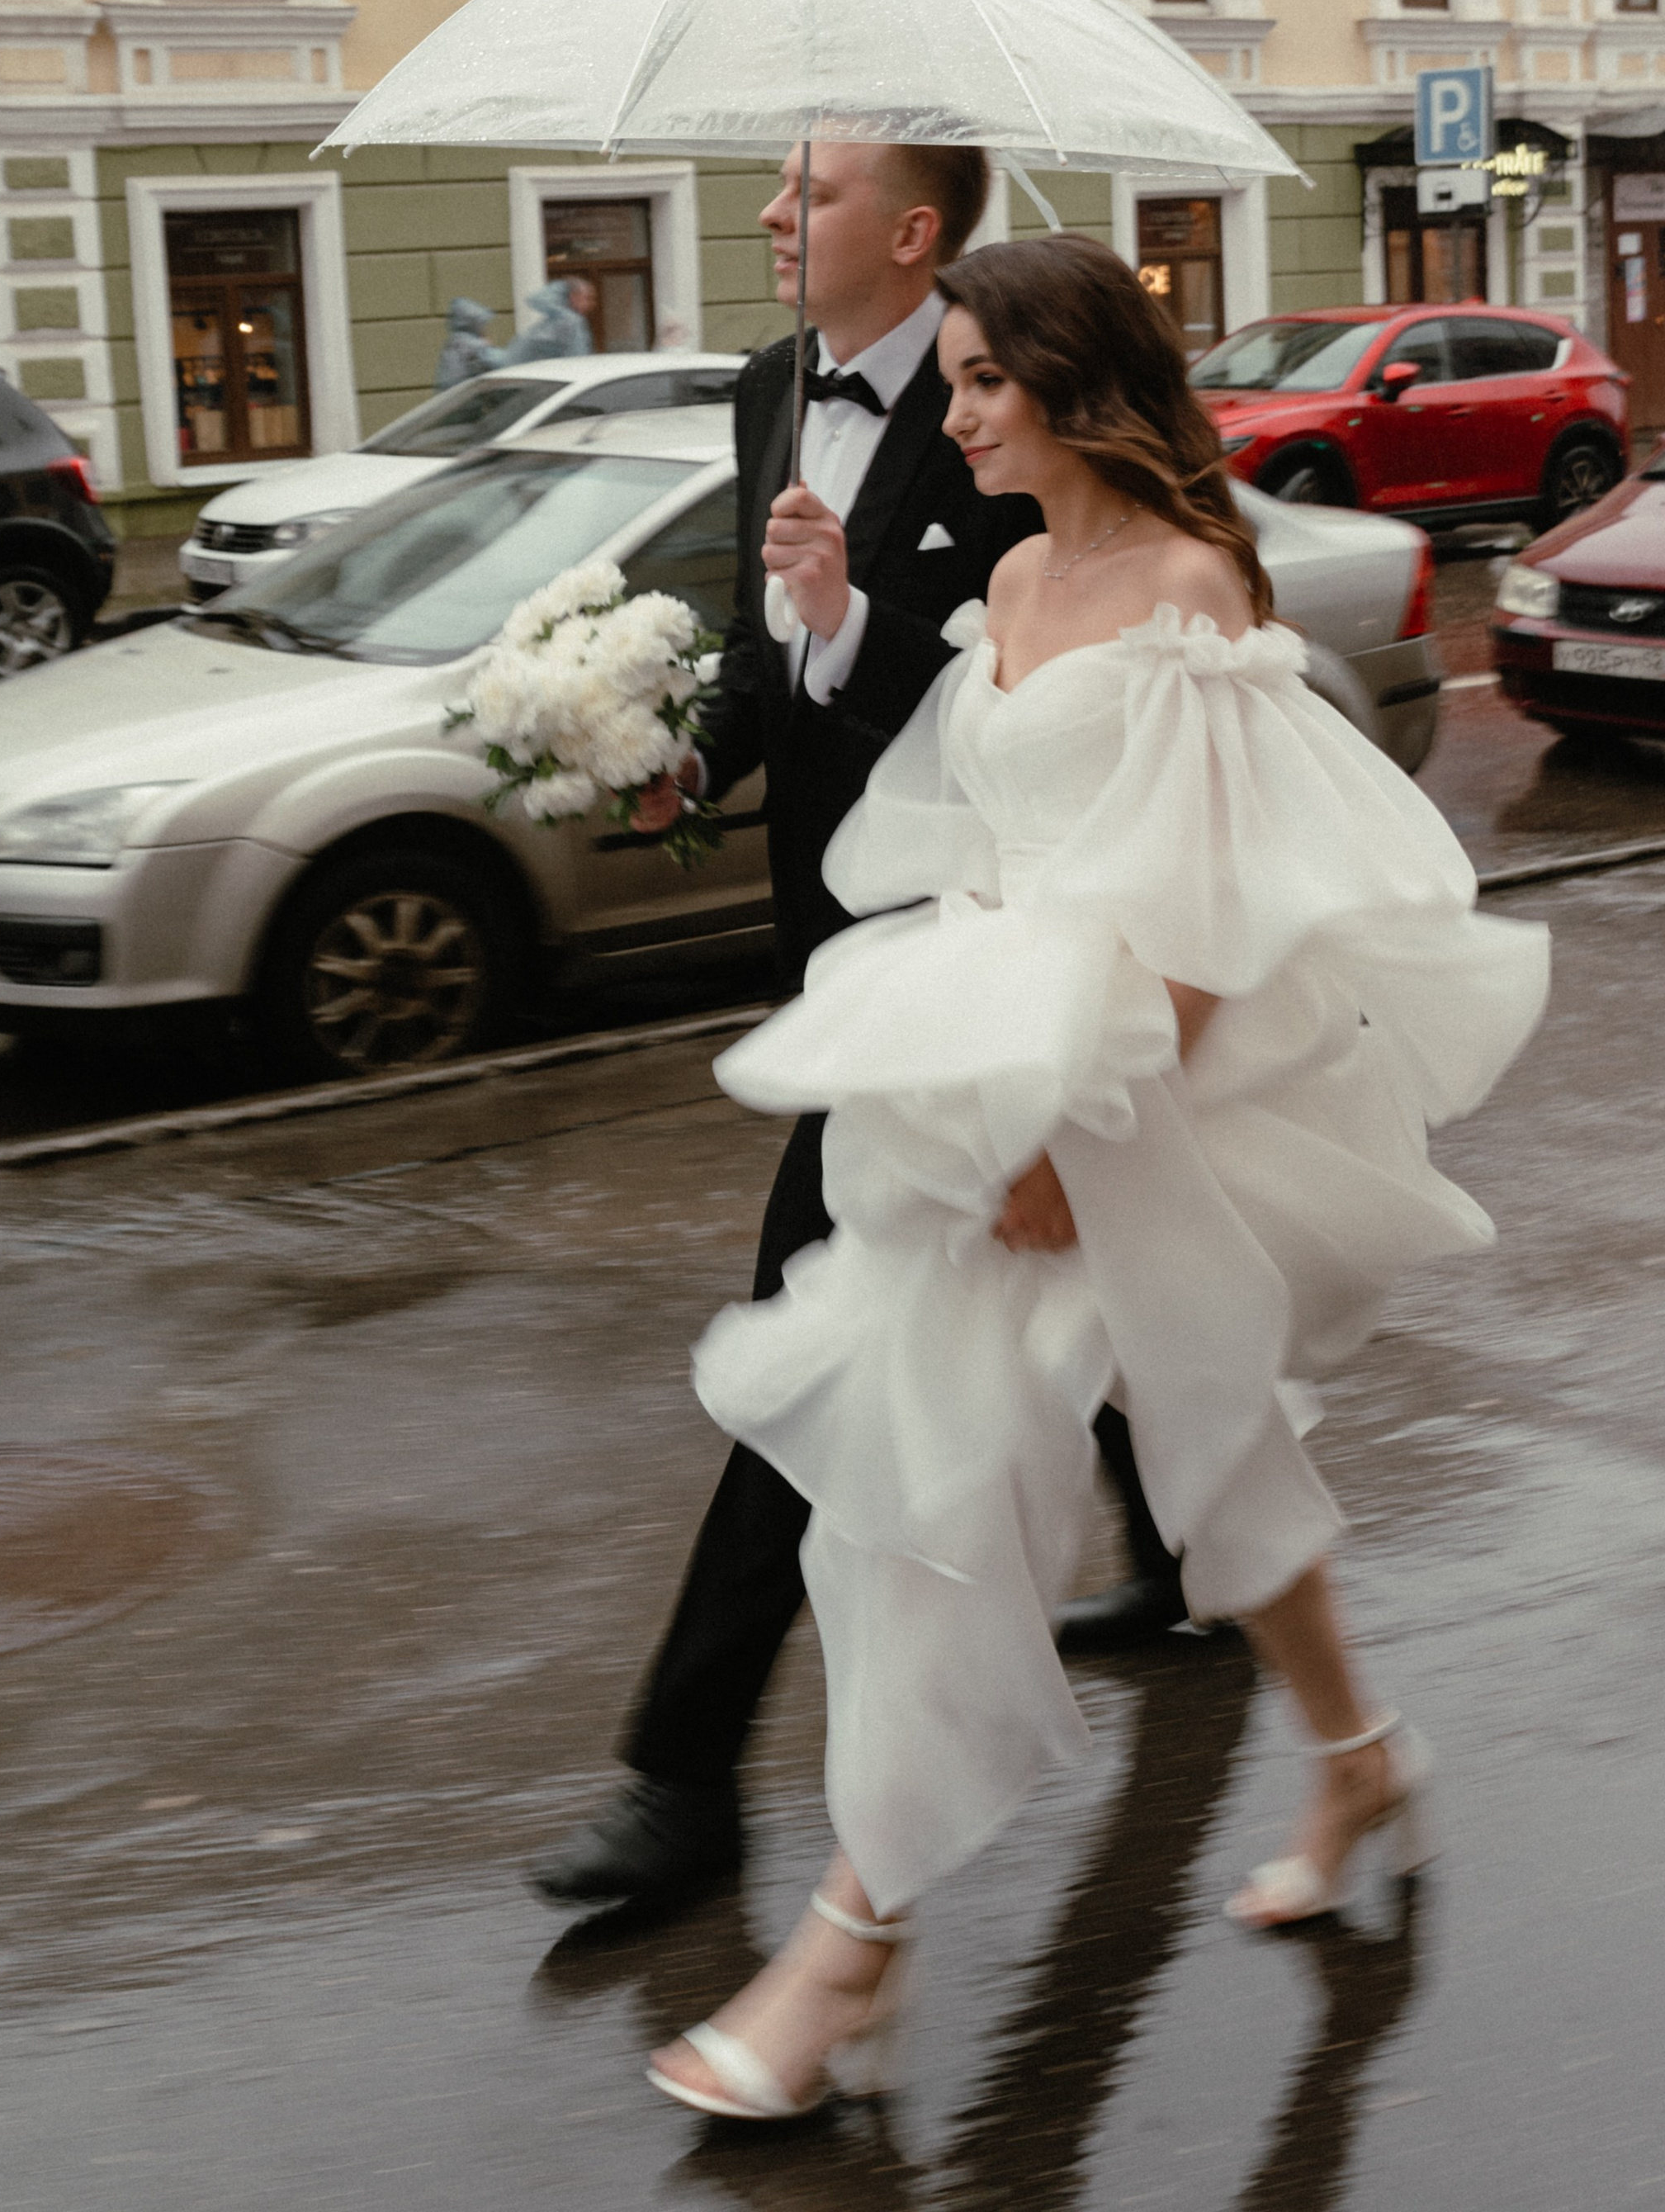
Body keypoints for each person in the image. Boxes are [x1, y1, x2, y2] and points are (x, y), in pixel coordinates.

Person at [643, 234, 1549, 2123]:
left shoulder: (1190, 582)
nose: (954, 412)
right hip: (985, 1067)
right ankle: (1358, 1751)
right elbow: (976, 820)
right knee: (1188, 1459)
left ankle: (847, 1947)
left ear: (1069, 379)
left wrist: (1072, 1134)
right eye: (951, 379)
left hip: (1123, 1091)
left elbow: (1211, 911)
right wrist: (817, 609)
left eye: (981, 380)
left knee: (946, 1486)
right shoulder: (1007, 579)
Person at [528, 141, 1049, 1922]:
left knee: (797, 1350)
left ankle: (683, 1781)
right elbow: (772, 663)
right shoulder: (772, 383)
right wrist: (697, 758)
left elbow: (1042, 692)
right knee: (1113, 1284)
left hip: (973, 964)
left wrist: (851, 616)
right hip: (831, 954)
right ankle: (1224, 1564)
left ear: (909, 233)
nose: (765, 217)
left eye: (804, 192)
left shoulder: (1016, 397)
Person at [499, 277, 594, 365]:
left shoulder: (552, 322)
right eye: (587, 298)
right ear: (574, 297)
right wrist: (564, 286)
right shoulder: (571, 322)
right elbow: (578, 361)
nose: (590, 304)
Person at [432, 297, 499, 389]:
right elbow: (504, 362)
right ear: (475, 323)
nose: (485, 329)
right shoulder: (474, 346)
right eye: (482, 324)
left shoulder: (454, 342)